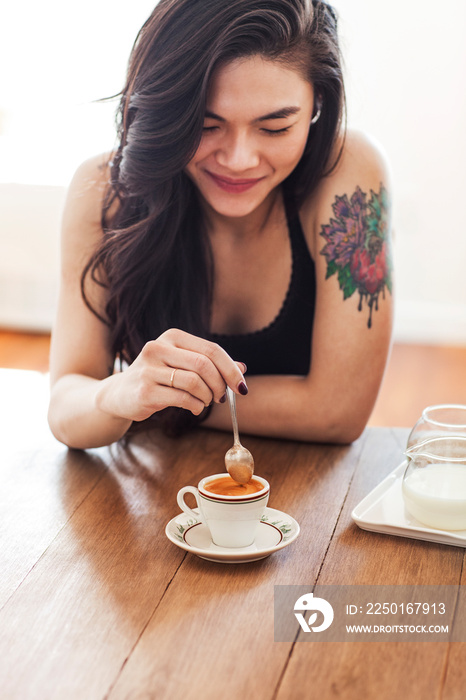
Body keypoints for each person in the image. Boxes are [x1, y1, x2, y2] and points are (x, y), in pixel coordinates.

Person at [48, 0, 393, 450]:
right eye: (206, 125)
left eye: (275, 128)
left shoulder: (349, 173)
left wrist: (167, 405)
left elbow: (337, 414)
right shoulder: (103, 190)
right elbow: (64, 407)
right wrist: (118, 391)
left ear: (318, 104)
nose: (238, 160)